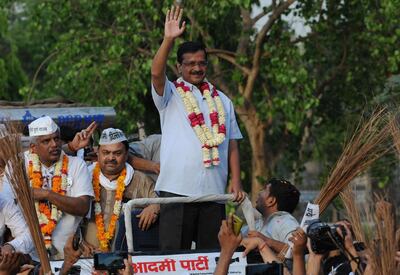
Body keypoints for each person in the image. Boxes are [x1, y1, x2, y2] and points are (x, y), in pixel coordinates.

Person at [151, 5, 245, 250]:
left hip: (213, 193)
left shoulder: (223, 100)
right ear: (180, 67)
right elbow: (155, 72)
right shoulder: (170, 94)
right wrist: (168, 39)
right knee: (174, 260)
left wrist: (236, 180)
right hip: (176, 190)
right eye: (190, 63)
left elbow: (232, 142)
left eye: (201, 63)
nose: (196, 68)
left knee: (213, 258)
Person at [24, 116, 94, 258]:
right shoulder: (18, 166)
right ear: (33, 147)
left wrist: (47, 194)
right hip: (29, 253)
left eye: (57, 139)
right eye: (46, 141)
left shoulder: (76, 165)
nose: (54, 144)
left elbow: (83, 207)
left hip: (68, 252)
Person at [81, 128, 159, 253]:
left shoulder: (139, 179)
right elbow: (69, 216)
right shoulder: (84, 177)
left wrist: (155, 207)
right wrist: (80, 242)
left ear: (126, 154)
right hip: (87, 255)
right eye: (106, 152)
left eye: (117, 153)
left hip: (127, 258)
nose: (111, 158)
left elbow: (161, 201)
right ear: (98, 153)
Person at [242, 178, 300, 254]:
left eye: (264, 190)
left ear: (271, 201)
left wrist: (265, 240)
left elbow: (296, 251)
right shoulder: (259, 223)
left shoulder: (286, 222)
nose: (259, 193)